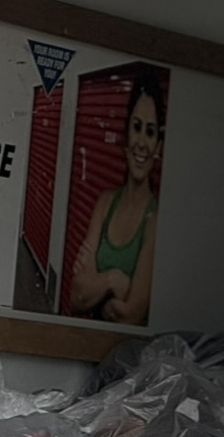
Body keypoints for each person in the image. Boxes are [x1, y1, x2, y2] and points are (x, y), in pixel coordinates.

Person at [66, 71, 164, 326]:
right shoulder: (105, 203)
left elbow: (131, 314)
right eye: (137, 127)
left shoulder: (156, 220)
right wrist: (113, 280)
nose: (142, 142)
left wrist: (95, 287)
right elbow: (76, 296)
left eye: (151, 132)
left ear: (158, 147)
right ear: (126, 136)